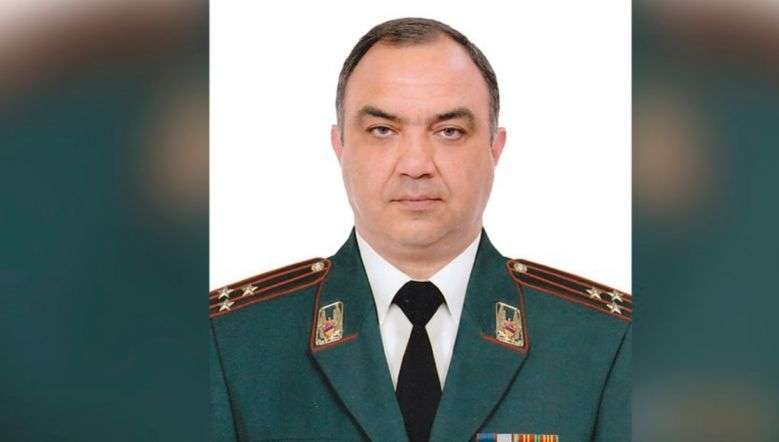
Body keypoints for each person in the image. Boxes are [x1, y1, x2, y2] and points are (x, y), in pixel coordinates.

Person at [209, 17, 630, 442]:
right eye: (382, 130)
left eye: (449, 131)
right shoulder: (232, 341)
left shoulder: (602, 342)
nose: (415, 165)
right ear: (340, 147)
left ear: (494, 148)